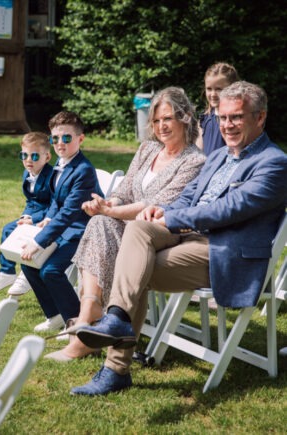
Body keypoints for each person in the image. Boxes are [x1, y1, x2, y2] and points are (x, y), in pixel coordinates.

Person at [71, 81, 287, 395]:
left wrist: (170, 218)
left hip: (225, 253)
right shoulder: (218, 157)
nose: (228, 125)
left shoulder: (274, 163)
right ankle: (117, 321)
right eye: (223, 117)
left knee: (133, 266)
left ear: (260, 118)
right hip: (188, 239)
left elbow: (227, 210)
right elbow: (188, 197)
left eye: (237, 117)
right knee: (138, 229)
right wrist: (161, 210)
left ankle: (115, 364)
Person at [45, 87, 206, 361]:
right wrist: (105, 204)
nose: (161, 126)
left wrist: (110, 210)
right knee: (98, 223)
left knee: (106, 222)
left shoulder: (194, 161)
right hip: (129, 225)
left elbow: (154, 204)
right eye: (155, 121)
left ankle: (93, 328)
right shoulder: (147, 149)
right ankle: (89, 314)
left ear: (186, 118)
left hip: (163, 231)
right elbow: (126, 190)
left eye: (167, 119)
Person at [20, 111, 103, 333]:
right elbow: (57, 199)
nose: (60, 143)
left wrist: (39, 242)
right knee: (28, 262)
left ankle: (77, 323)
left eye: (66, 138)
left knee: (50, 271)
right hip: (63, 228)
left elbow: (69, 213)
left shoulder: (83, 170)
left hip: (84, 231)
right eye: (55, 138)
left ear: (80, 139)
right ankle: (55, 315)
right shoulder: (60, 162)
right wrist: (47, 218)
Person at [0, 132, 53, 296]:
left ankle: (27, 273)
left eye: (35, 156)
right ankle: (6, 272)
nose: (29, 160)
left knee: (31, 234)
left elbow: (55, 204)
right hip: (34, 214)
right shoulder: (27, 174)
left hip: (48, 218)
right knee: (8, 229)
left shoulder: (52, 177)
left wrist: (34, 219)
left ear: (47, 157)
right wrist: (25, 216)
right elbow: (31, 201)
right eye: (24, 155)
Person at [196, 62, 239, 155]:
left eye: (219, 89)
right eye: (209, 89)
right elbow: (198, 153)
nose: (213, 94)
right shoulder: (204, 119)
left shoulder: (237, 120)